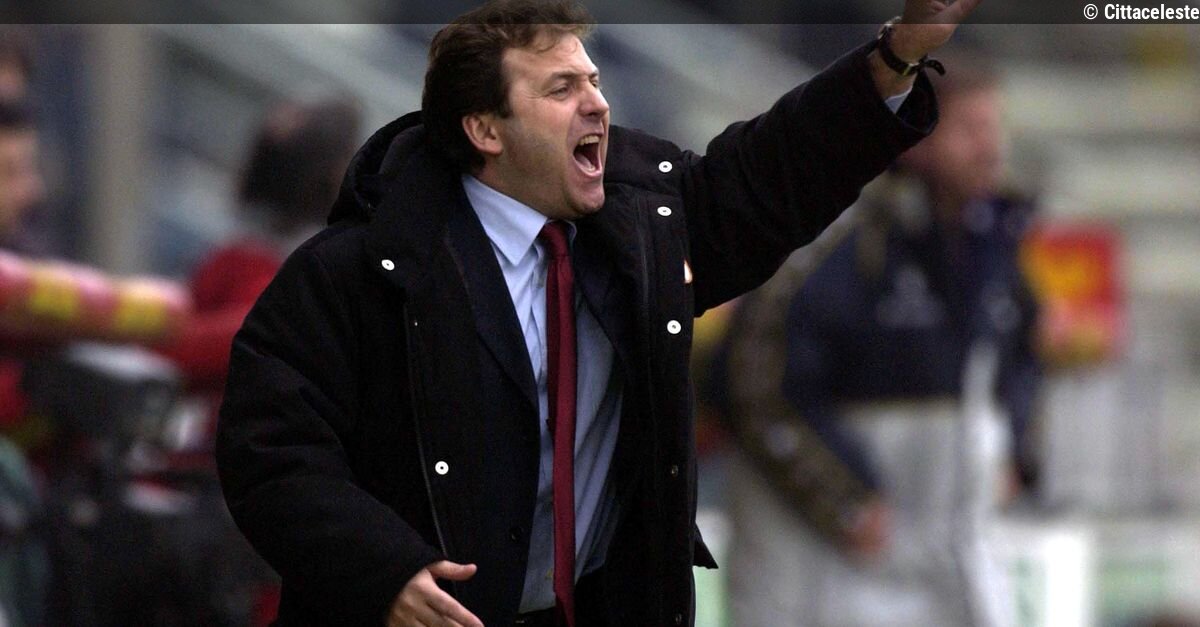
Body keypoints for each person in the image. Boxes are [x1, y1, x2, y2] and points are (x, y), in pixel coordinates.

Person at [215, 1, 977, 625]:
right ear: (485, 130)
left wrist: (897, 56)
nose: (598, 103)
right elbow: (269, 449)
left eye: (595, 79)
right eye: (561, 89)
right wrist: (382, 570)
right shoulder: (357, 270)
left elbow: (769, 175)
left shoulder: (643, 226)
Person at [719, 54, 1040, 626]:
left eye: (995, 128)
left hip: (944, 563)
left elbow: (1019, 360)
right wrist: (845, 499)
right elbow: (753, 380)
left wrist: (1016, 447)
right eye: (970, 129)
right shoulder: (835, 242)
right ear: (915, 139)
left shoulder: (994, 246)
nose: (991, 148)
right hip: (825, 567)